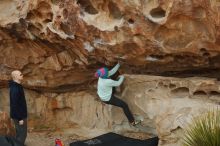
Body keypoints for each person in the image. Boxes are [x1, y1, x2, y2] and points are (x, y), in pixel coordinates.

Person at [9, 70, 27, 145]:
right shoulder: (15, 88)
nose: (22, 75)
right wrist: (20, 118)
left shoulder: (18, 86)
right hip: (19, 116)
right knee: (21, 134)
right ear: (15, 77)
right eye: (20, 74)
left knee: (21, 133)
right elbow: (15, 104)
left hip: (20, 114)